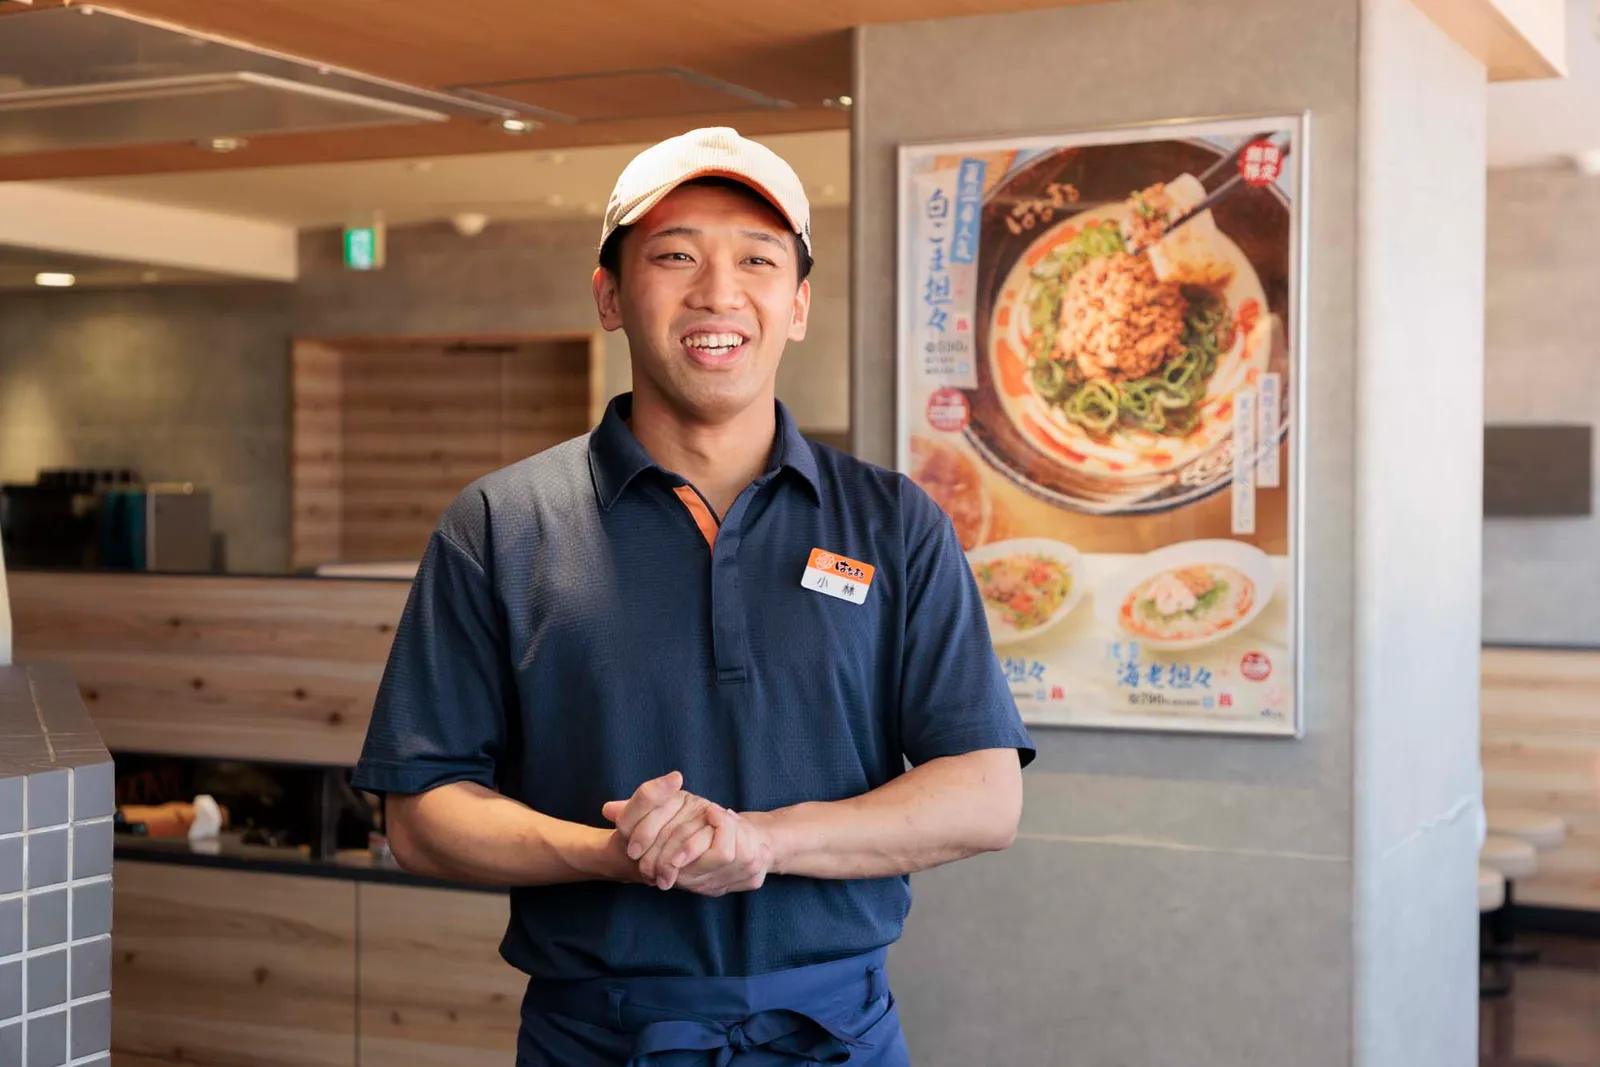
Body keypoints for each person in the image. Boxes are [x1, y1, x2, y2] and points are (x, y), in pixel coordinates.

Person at [351, 126, 1036, 1066]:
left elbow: (985, 796)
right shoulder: (500, 524)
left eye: (757, 259)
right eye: (675, 255)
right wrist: (612, 852)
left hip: (834, 1033)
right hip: (598, 1034)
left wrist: (758, 839)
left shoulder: (895, 520)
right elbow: (419, 813)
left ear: (796, 304)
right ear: (608, 294)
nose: (719, 291)